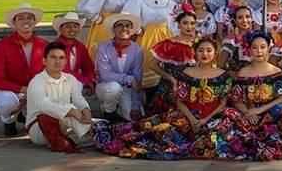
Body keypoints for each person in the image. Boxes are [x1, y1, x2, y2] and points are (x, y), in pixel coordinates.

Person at [93, 36, 235, 160]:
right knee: (162, 131)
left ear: (215, 52)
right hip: (187, 115)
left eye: (209, 50)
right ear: (195, 53)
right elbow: (180, 101)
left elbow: (223, 103)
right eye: (201, 50)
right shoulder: (187, 73)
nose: (205, 54)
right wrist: (192, 119)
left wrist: (205, 119)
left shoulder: (223, 74)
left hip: (212, 117)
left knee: (218, 137)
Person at [227, 32, 282, 160]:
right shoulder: (243, 72)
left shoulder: (276, 72)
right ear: (250, 49)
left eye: (263, 47)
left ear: (268, 48)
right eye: (255, 47)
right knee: (227, 113)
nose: (259, 51)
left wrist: (259, 110)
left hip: (269, 115)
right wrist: (248, 112)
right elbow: (236, 100)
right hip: (248, 115)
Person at [0, 3, 48, 136]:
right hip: (10, 91)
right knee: (7, 102)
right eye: (20, 18)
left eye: (29, 17)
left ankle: (25, 112)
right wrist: (24, 90)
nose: (26, 21)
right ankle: (8, 120)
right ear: (14, 23)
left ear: (34, 21)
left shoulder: (44, 45)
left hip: (36, 89)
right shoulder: (2, 46)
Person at [25, 41, 93, 152]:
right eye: (53, 57)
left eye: (61, 58)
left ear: (66, 61)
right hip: (40, 127)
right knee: (69, 110)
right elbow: (44, 105)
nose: (57, 61)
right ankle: (89, 134)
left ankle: (88, 133)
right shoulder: (37, 81)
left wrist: (85, 109)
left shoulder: (70, 79)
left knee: (81, 113)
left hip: (63, 124)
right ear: (44, 61)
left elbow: (78, 98)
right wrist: (71, 111)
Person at [121, 0, 176, 89]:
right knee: (147, 65)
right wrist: (139, 30)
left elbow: (174, 22)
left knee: (165, 67)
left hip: (166, 38)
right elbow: (128, 17)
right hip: (146, 37)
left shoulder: (170, 3)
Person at [94, 13, 145, 123]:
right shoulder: (104, 48)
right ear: (113, 29)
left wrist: (136, 106)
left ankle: (118, 109)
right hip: (106, 86)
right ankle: (109, 111)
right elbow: (106, 75)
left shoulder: (137, 50)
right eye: (120, 25)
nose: (124, 28)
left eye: (128, 25)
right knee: (114, 88)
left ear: (132, 30)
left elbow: (137, 78)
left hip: (127, 88)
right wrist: (129, 79)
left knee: (136, 119)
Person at [149, 9, 198, 113]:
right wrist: (171, 78)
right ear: (178, 25)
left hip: (194, 85)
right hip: (173, 86)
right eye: (185, 23)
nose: (189, 27)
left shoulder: (199, 43)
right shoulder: (169, 44)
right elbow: (153, 65)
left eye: (192, 23)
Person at [51, 12, 95, 95]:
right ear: (60, 29)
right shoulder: (55, 46)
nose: (72, 29)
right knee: (76, 85)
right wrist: (86, 81)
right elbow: (64, 70)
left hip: (74, 80)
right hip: (55, 81)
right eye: (68, 26)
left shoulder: (80, 46)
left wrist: (91, 81)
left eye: (75, 26)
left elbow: (88, 67)